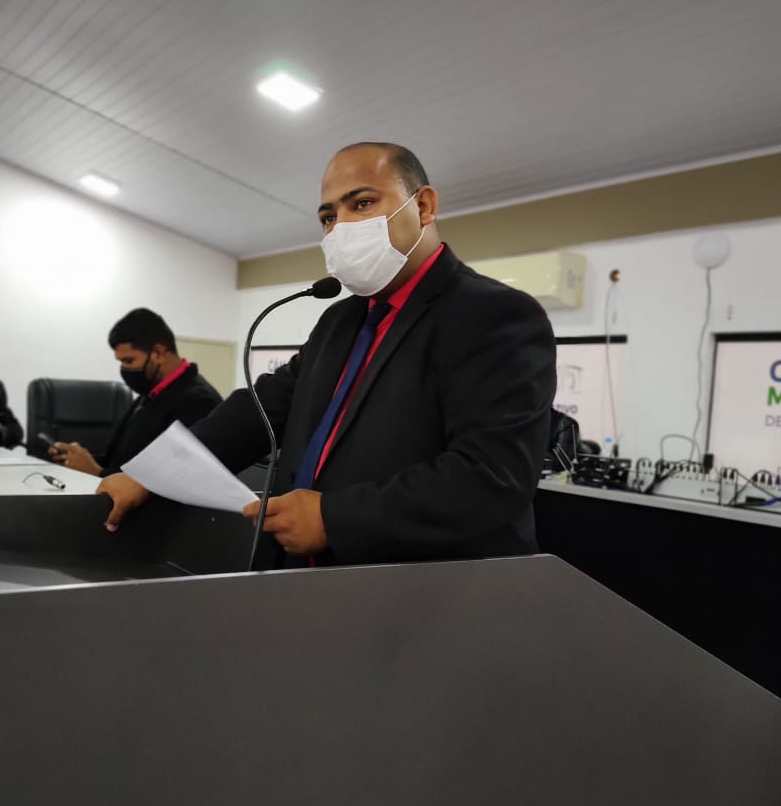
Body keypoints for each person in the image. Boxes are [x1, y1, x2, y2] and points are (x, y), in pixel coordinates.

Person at [97, 141, 557, 568]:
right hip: (306, 574)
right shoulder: (340, 320)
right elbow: (262, 409)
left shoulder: (494, 313)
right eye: (328, 217)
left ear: (423, 206)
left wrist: (335, 517)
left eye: (363, 203)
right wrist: (151, 475)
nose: (341, 227)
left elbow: (492, 476)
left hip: (422, 589)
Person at [49, 309, 222, 476]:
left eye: (129, 361)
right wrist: (81, 459)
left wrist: (97, 472)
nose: (124, 369)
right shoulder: (149, 395)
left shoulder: (199, 402)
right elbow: (120, 462)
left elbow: (174, 479)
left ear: (158, 353)